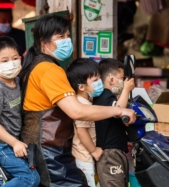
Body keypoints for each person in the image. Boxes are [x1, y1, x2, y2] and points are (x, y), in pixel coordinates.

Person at [19, 14, 136, 187]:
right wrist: (119, 110)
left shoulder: (36, 65)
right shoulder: (48, 69)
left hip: (44, 147)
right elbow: (77, 111)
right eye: (60, 37)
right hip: (49, 150)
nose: (67, 41)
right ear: (44, 42)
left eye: (67, 35)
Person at [0, 36, 40, 187]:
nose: (11, 64)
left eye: (14, 59)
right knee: (30, 178)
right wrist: (15, 143)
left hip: (9, 141)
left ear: (20, 59)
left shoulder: (18, 82)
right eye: (5, 61)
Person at [93, 58, 135, 187]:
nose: (123, 82)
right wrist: (126, 90)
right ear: (111, 80)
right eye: (122, 78)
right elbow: (117, 111)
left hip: (114, 151)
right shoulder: (105, 96)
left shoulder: (105, 96)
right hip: (110, 153)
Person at [66, 58, 103, 187]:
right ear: (81, 87)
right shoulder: (82, 105)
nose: (100, 82)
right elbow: (81, 131)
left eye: (99, 78)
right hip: (84, 158)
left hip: (86, 157)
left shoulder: (86, 101)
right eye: (95, 80)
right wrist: (93, 151)